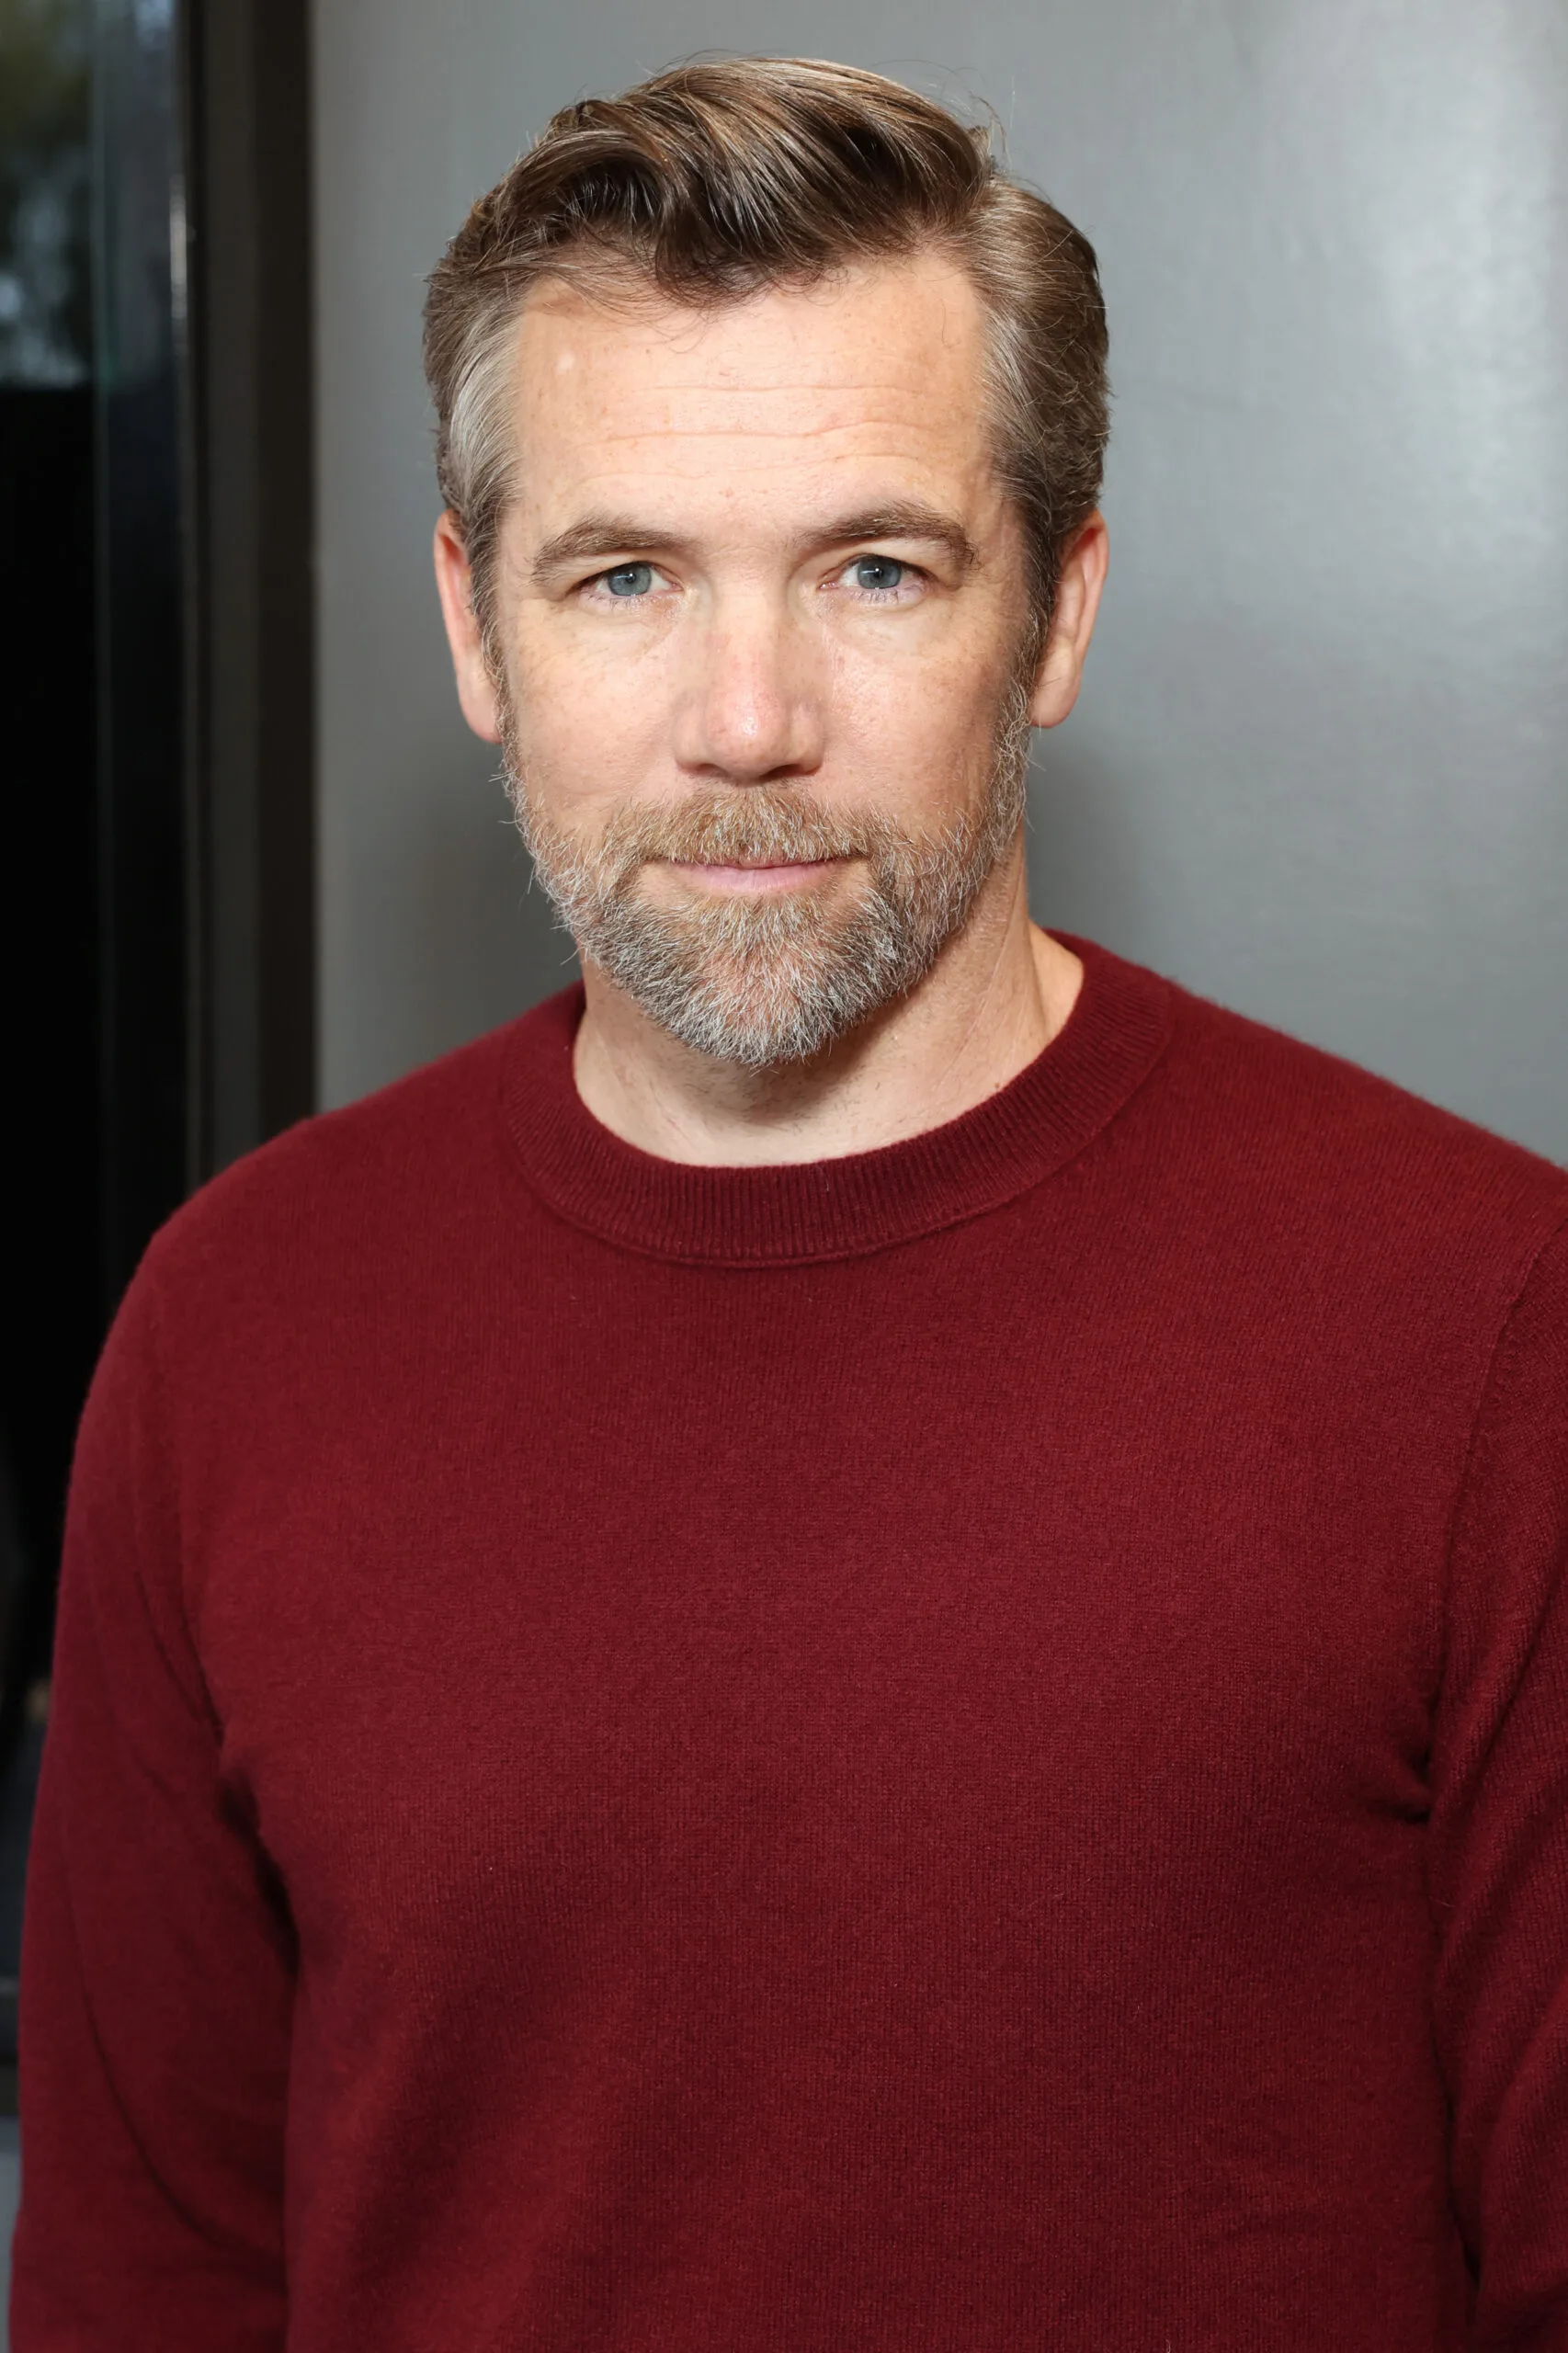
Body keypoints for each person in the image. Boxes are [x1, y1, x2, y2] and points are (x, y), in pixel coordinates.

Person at [13, 55, 1567, 2352]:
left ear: (1053, 612)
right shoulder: (234, 1327)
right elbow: (140, 2292)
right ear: (475, 630)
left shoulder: (1485, 1324)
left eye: (874, 567)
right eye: (623, 573)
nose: (747, 720)